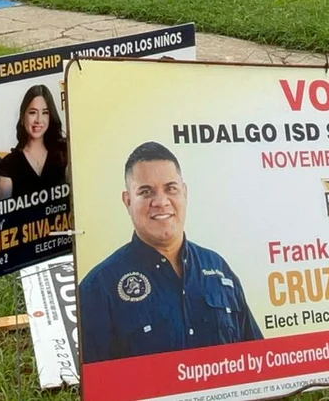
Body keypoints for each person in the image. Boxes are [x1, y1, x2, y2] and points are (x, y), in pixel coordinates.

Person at [79, 142, 262, 364]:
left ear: (184, 193)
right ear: (128, 201)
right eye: (146, 192)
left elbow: (257, 365)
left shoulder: (219, 270)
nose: (161, 202)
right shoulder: (98, 289)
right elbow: (98, 389)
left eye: (170, 189)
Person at [0, 85, 68, 200]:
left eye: (45, 113)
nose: (39, 120)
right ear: (22, 118)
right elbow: (5, 216)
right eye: (33, 112)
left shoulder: (64, 153)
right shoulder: (8, 165)